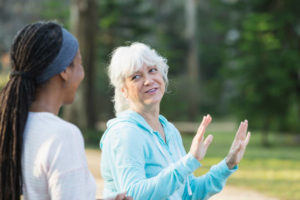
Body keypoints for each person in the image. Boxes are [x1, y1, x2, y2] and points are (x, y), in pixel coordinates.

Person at [100, 42, 251, 200]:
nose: (148, 80)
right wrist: (188, 162)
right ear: (123, 90)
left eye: (152, 70)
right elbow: (133, 195)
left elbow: (189, 194)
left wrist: (228, 164)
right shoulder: (125, 134)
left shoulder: (169, 130)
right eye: (136, 76)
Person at [0, 21, 131, 200]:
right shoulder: (62, 136)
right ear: (65, 71)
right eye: (80, 64)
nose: (82, 74)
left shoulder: (8, 126)